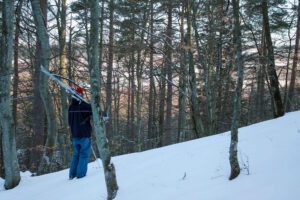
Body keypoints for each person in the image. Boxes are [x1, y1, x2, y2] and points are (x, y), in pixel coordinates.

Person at [68, 86, 92, 179]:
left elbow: (69, 122)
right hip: (84, 135)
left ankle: (72, 174)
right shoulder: (84, 106)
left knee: (76, 155)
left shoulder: (71, 107)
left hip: (74, 135)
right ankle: (80, 175)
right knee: (84, 155)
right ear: (80, 95)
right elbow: (95, 111)